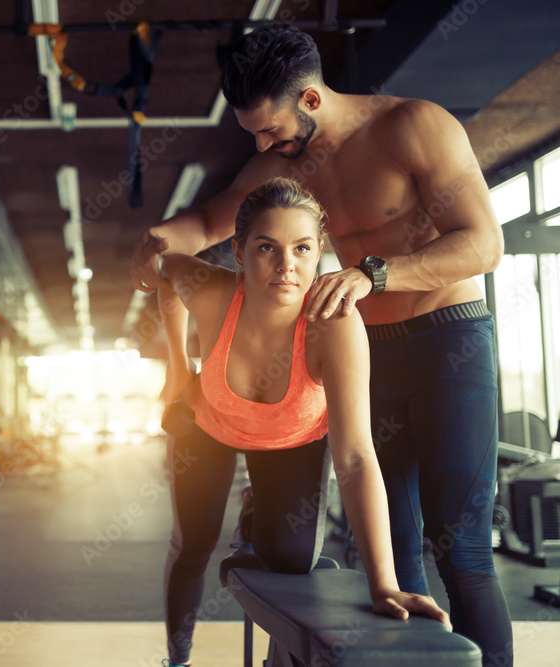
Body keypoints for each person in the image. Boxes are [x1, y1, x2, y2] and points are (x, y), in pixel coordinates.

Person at [133, 24, 511, 667]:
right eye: (252, 133)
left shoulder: (416, 127)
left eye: (269, 130)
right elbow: (209, 219)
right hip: (367, 346)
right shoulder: (281, 163)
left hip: (450, 337)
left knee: (464, 547)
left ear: (309, 100)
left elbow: (484, 245)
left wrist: (372, 273)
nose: (261, 145)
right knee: (390, 542)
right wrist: (160, 240)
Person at [158, 177, 448, 667]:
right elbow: (162, 268)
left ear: (319, 253)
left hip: (291, 440)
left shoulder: (334, 324)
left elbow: (355, 457)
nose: (286, 265)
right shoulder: (210, 292)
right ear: (238, 252)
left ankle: (256, 513)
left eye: (302, 248)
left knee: (292, 561)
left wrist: (385, 585)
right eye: (266, 247)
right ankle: (177, 658)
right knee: (193, 546)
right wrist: (177, 370)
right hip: (209, 428)